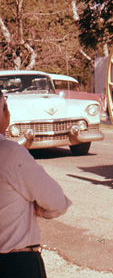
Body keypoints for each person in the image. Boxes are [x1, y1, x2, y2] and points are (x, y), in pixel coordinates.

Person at [0, 90, 72, 277]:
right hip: (15, 264)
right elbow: (57, 203)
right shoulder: (11, 154)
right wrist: (37, 208)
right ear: (3, 111)